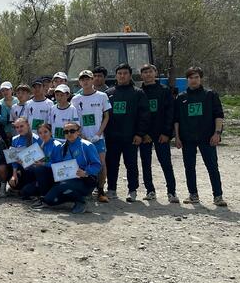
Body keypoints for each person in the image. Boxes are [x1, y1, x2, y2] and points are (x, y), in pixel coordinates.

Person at [174, 67, 227, 206]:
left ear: (201, 78)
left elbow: (219, 115)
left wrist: (217, 133)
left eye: (196, 77)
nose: (194, 80)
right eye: (191, 78)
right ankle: (193, 195)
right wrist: (177, 137)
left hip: (207, 137)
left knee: (212, 167)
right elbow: (176, 119)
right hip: (187, 139)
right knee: (189, 168)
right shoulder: (181, 97)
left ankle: (218, 196)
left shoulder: (210, 95)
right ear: (187, 80)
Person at [104, 63, 150, 202]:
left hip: (131, 136)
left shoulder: (138, 93)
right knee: (112, 164)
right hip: (112, 137)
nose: (122, 76)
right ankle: (111, 189)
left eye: (125, 73)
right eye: (119, 73)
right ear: (116, 76)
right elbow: (103, 115)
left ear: (130, 75)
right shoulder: (108, 93)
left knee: (131, 164)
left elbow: (144, 115)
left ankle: (132, 190)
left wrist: (139, 134)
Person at [33, 122, 101, 214]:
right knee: (49, 200)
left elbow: (97, 165)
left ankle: (81, 201)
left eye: (72, 131)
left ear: (78, 132)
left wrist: (85, 172)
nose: (69, 134)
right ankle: (69, 197)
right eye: (66, 132)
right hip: (68, 179)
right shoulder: (63, 147)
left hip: (85, 180)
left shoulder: (87, 145)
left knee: (63, 185)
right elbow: (59, 165)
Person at [71, 70, 111, 203]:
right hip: (81, 138)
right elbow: (75, 120)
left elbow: (106, 116)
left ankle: (101, 190)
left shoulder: (102, 96)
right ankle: (86, 189)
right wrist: (81, 135)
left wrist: (98, 134)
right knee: (82, 164)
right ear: (79, 82)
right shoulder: (75, 99)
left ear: (92, 79)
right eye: (82, 79)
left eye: (87, 79)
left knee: (101, 164)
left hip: (98, 138)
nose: (85, 81)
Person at [139, 64, 178, 203]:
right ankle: (150, 191)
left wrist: (167, 133)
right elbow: (137, 115)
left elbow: (170, 113)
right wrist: (143, 133)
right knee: (146, 163)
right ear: (141, 75)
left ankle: (171, 192)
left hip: (162, 134)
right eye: (145, 72)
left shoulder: (164, 90)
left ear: (155, 73)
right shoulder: (138, 92)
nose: (148, 74)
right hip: (145, 135)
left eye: (150, 71)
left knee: (166, 163)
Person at [9, 118, 52, 200]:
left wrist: (26, 162)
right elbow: (13, 159)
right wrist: (14, 175)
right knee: (13, 183)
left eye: (22, 126)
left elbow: (43, 158)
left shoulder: (37, 139)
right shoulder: (15, 139)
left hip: (34, 170)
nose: (19, 129)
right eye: (17, 127)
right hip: (22, 168)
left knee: (26, 191)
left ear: (28, 125)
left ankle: (40, 189)